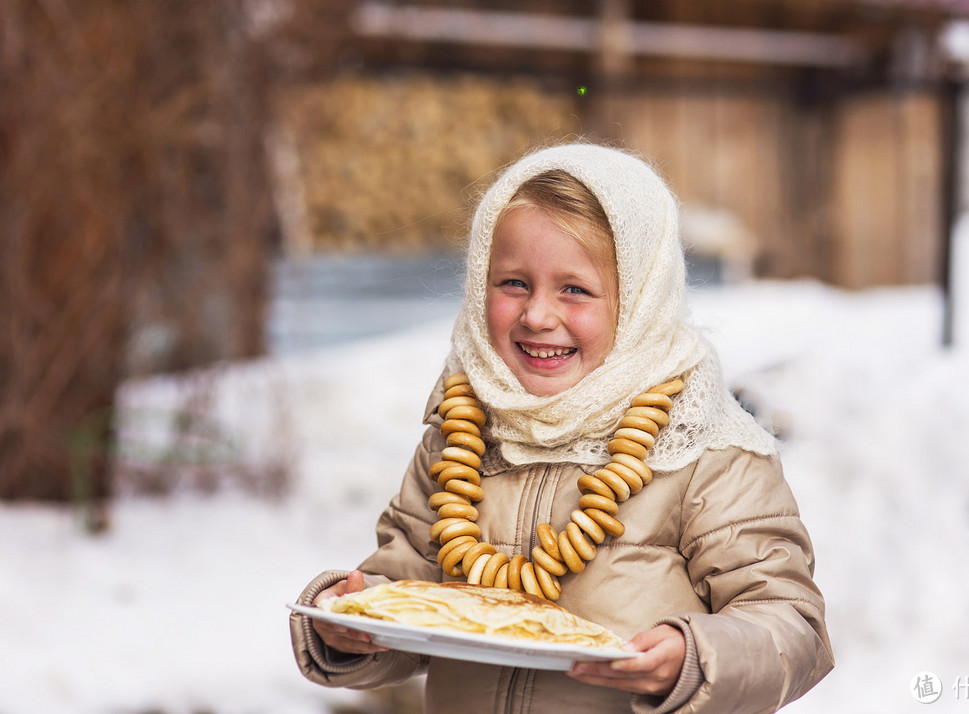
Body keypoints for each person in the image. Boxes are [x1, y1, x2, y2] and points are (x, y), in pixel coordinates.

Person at [289, 143, 833, 713]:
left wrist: (694, 656)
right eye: (513, 283)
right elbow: (405, 594)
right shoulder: (460, 436)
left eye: (574, 289)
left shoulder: (705, 450)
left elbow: (790, 626)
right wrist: (353, 618)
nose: (538, 315)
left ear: (640, 301)